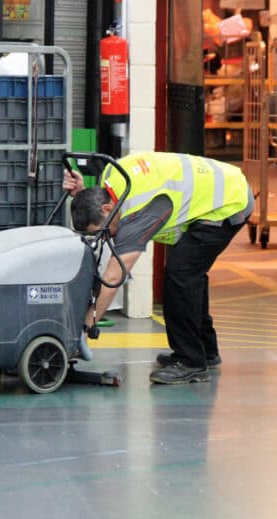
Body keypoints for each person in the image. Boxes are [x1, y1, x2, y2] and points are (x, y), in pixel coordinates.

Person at [64, 151, 253, 384]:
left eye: (102, 231)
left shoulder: (136, 212)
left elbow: (113, 278)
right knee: (190, 271)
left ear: (106, 209)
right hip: (224, 187)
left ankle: (191, 361)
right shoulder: (112, 178)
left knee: (181, 274)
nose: (106, 237)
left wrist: (83, 330)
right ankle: (206, 350)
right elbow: (94, 201)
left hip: (228, 203)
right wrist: (81, 193)